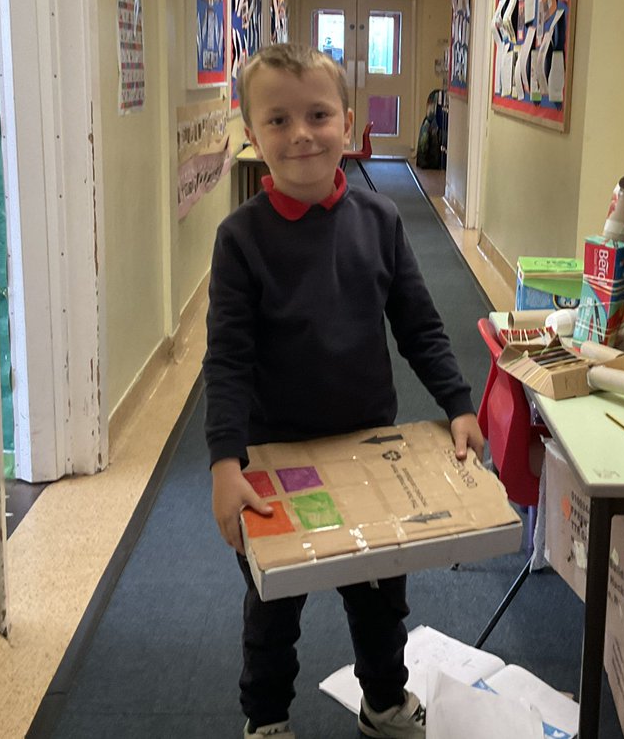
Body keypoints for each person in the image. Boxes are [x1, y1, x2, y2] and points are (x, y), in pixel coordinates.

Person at [205, 43, 484, 739]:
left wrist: (458, 403)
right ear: (252, 134)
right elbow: (228, 359)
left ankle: (383, 701)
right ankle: (266, 718)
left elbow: (420, 325)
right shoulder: (240, 240)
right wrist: (223, 462)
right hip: (276, 461)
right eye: (278, 120)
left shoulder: (380, 221)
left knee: (381, 599)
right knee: (273, 608)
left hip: (368, 449)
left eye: (318, 114)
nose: (301, 133)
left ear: (348, 122)